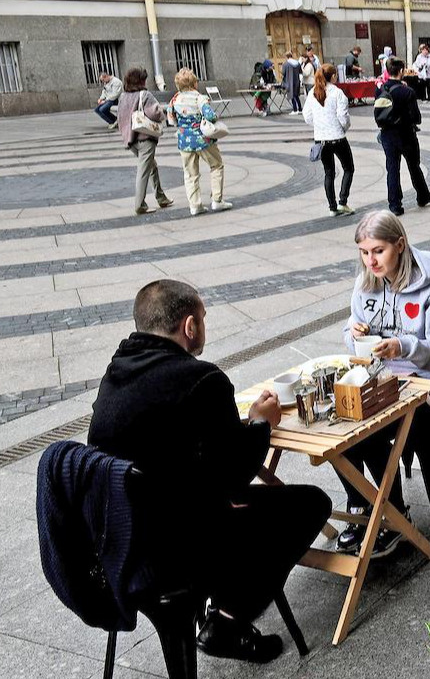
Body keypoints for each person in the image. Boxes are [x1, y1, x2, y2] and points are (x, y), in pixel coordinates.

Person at [89, 280, 332, 663]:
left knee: (233, 503)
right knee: (310, 503)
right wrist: (259, 425)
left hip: (115, 541)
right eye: (202, 319)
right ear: (189, 326)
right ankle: (227, 622)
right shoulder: (201, 379)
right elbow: (233, 473)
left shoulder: (114, 374)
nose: (203, 327)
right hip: (177, 546)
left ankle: (222, 609)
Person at [339, 212, 430, 555]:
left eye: (377, 251)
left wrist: (404, 346)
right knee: (344, 432)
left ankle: (393, 516)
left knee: (372, 430)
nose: (370, 261)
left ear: (400, 245)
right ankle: (362, 510)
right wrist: (353, 333)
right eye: (364, 252)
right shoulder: (365, 285)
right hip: (385, 381)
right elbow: (354, 341)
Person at [374, 57, 430, 216]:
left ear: (388, 71)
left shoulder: (380, 90)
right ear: (401, 71)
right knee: (414, 166)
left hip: (387, 135)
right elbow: (416, 117)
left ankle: (395, 204)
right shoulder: (407, 91)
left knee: (392, 169)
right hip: (406, 134)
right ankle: (423, 196)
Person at [167, 68, 230, 216]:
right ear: (194, 83)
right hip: (203, 140)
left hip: (184, 141)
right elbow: (210, 116)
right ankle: (217, 200)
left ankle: (195, 205)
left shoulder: (174, 99)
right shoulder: (199, 98)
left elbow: (171, 120)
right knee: (216, 165)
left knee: (190, 174)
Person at [116, 67, 173, 215]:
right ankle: (139, 204)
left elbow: (120, 118)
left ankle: (161, 197)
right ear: (140, 80)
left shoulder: (123, 97)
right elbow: (155, 112)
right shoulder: (145, 95)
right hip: (145, 138)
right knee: (143, 171)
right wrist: (162, 112)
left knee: (152, 166)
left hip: (131, 139)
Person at [304, 63, 355, 217]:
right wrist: (344, 127)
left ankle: (332, 207)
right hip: (337, 137)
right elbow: (343, 116)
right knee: (348, 168)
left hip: (321, 139)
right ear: (333, 76)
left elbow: (307, 116)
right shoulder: (337, 93)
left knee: (329, 172)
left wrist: (319, 126)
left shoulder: (313, 92)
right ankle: (343, 201)